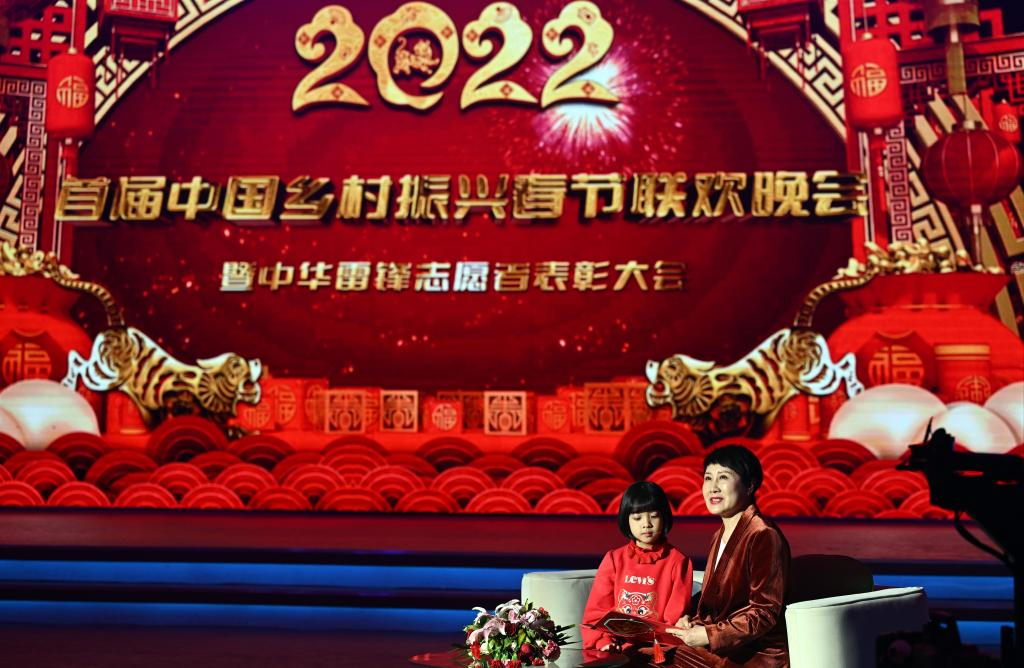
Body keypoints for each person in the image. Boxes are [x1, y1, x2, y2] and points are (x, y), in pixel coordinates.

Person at [667, 445, 790, 668]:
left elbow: (765, 612)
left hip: (753, 655)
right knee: (646, 653)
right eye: (708, 478)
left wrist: (708, 635)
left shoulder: (763, 534)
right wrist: (691, 622)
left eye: (723, 477)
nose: (713, 487)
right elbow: (718, 606)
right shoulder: (720, 535)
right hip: (723, 650)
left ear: (750, 485)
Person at [582, 481, 694, 662]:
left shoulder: (678, 561)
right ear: (626, 519)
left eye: (654, 516)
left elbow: (673, 619)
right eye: (637, 518)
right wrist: (605, 642)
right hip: (615, 647)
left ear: (665, 517)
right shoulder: (614, 559)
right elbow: (596, 613)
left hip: (657, 649)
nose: (646, 524)